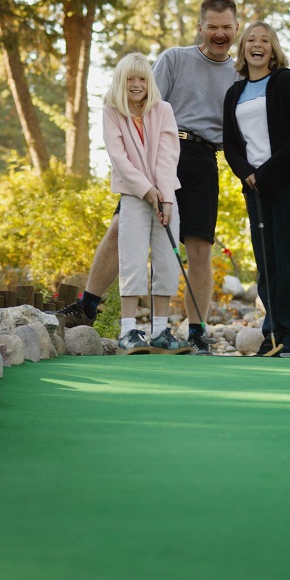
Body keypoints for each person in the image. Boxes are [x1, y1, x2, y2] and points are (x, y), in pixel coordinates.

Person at [58, 0, 240, 356]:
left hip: (203, 158)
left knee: (199, 248)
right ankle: (88, 306)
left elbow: (239, 131)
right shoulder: (174, 59)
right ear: (201, 27)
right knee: (120, 229)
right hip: (156, 153)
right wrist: (146, 174)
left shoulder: (238, 75)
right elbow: (144, 107)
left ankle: (197, 330)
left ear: (235, 29)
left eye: (226, 27)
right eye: (212, 27)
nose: (219, 34)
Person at [223, 21, 290, 357]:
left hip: (288, 184)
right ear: (244, 48)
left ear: (272, 48)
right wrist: (248, 174)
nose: (257, 45)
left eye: (264, 40)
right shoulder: (235, 92)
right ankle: (273, 335)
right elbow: (230, 143)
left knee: (288, 261)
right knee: (266, 263)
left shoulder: (285, 81)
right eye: (250, 40)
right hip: (255, 188)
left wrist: (267, 172)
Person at [102, 53, 190, 354]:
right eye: (130, 79)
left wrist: (164, 197)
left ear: (149, 82)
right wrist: (146, 190)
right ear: (121, 82)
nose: (136, 84)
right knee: (133, 260)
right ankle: (128, 331)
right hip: (133, 196)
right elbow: (120, 158)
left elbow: (168, 156)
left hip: (165, 197)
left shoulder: (162, 110)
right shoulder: (112, 110)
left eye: (142, 78)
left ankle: (161, 331)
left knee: (166, 260)